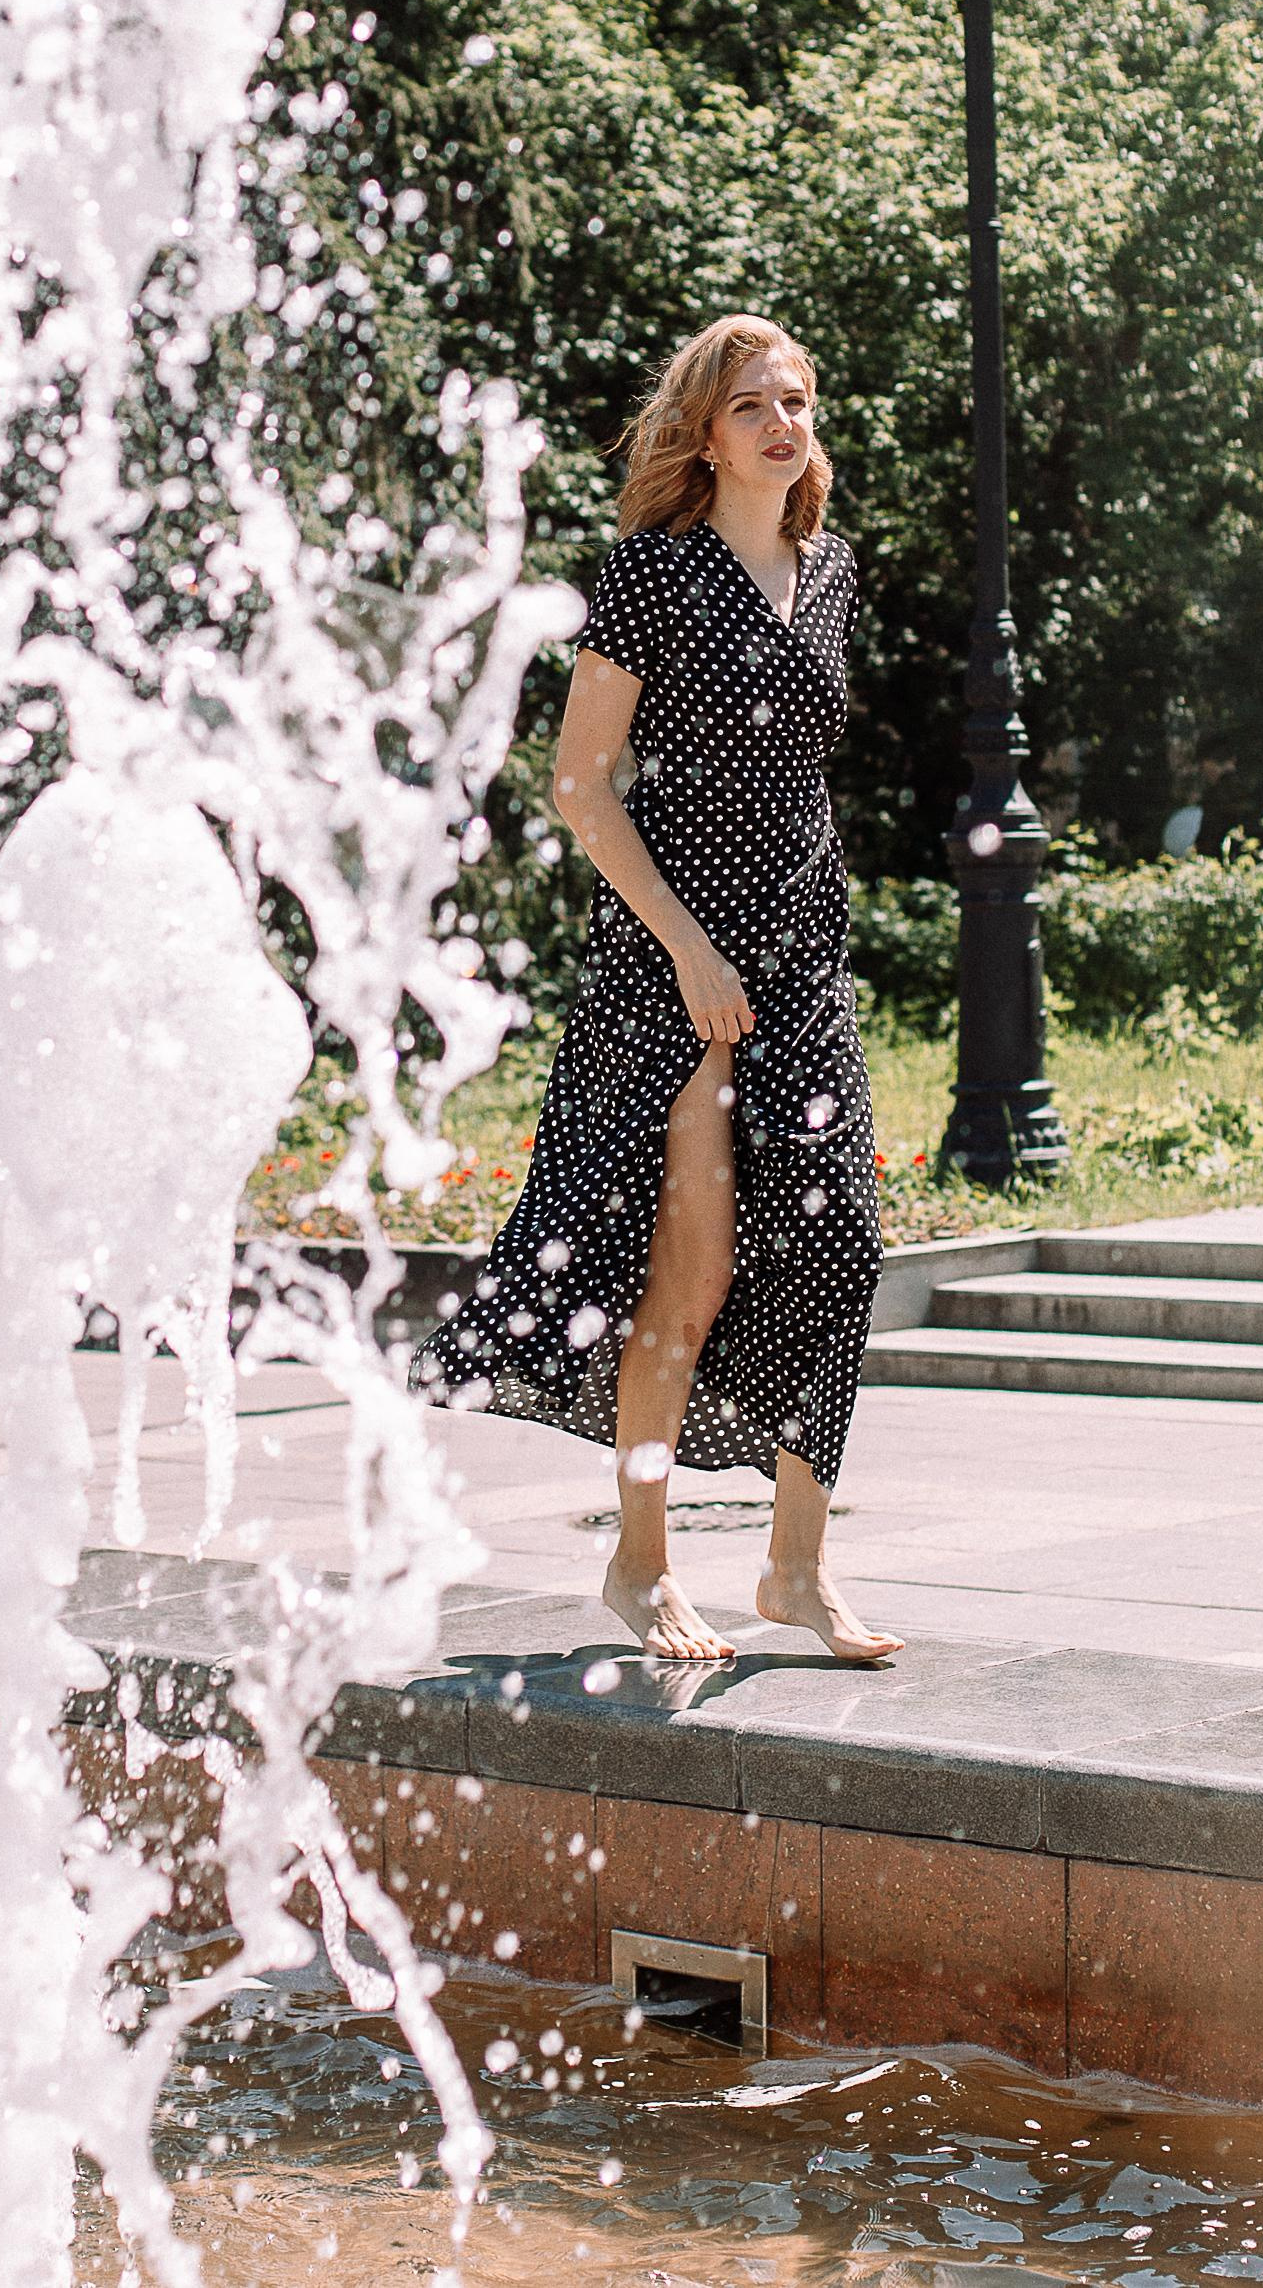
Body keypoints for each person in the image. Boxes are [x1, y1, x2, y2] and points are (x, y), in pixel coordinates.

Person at [416, 314, 898, 1668]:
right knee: (684, 1281)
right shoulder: (652, 575)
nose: (782, 423)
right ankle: (641, 1567)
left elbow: (798, 771)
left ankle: (794, 1574)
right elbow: (579, 785)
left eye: (798, 401)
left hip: (803, 954)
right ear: (703, 429)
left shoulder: (832, 570)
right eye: (753, 403)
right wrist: (690, 946)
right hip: (674, 962)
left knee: (845, 1248)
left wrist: (787, 931)